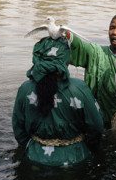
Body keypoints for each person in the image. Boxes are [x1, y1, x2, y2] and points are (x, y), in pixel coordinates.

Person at [12, 36, 103, 166]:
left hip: (35, 157)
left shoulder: (25, 89)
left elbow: (18, 127)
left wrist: (32, 145)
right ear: (67, 61)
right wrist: (89, 147)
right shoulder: (79, 88)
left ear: (37, 60)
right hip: (75, 158)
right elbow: (96, 126)